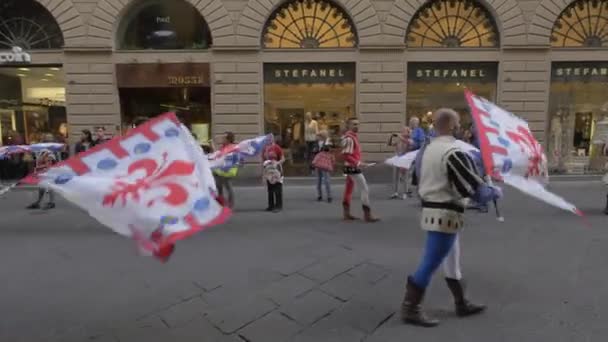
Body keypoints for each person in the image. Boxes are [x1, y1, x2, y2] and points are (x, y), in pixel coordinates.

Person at [400, 108, 502, 327]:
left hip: (432, 211)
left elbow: (417, 178)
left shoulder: (425, 150)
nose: (460, 127)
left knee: (451, 262)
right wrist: (493, 191)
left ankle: (461, 302)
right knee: (430, 263)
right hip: (445, 214)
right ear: (453, 127)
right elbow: (475, 190)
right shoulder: (453, 151)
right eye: (457, 124)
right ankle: (410, 308)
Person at [341, 118, 379, 222]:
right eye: (354, 124)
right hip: (352, 167)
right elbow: (346, 155)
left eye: (357, 124)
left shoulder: (352, 137)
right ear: (348, 125)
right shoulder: (349, 138)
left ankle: (346, 214)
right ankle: (367, 215)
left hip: (350, 167)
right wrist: (358, 163)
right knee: (364, 188)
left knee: (349, 189)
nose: (356, 126)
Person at [211, 132, 238, 208]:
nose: (222, 139)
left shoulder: (233, 147)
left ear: (228, 139)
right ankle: (220, 204)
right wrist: (213, 146)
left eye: (224, 138)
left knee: (228, 187)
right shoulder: (223, 146)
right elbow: (217, 155)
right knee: (219, 187)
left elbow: (233, 159)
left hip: (227, 171)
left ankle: (230, 205)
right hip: (219, 170)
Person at [262, 135, 285, 212]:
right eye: (268, 138)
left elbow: (283, 159)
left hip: (277, 170)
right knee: (270, 188)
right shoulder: (265, 148)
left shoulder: (277, 147)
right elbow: (263, 160)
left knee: (277, 188)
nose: (269, 140)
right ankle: (271, 205)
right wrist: (263, 172)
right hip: (268, 170)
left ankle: (278, 206)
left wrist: (277, 163)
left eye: (271, 138)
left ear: (273, 139)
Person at [388, 126, 412, 199]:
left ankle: (405, 193)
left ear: (408, 133)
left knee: (405, 177)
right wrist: (391, 136)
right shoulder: (399, 141)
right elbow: (390, 144)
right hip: (397, 160)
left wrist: (399, 136)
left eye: (404, 131)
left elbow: (407, 142)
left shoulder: (410, 140)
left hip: (405, 160)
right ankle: (395, 192)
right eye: (402, 131)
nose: (402, 132)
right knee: (396, 177)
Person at [312, 131, 334, 202]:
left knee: (327, 180)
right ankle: (319, 195)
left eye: (318, 136)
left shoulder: (327, 142)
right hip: (318, 163)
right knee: (318, 181)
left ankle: (329, 196)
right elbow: (313, 152)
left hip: (325, 163)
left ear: (322, 136)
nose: (317, 137)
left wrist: (326, 144)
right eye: (317, 136)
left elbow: (329, 149)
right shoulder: (316, 143)